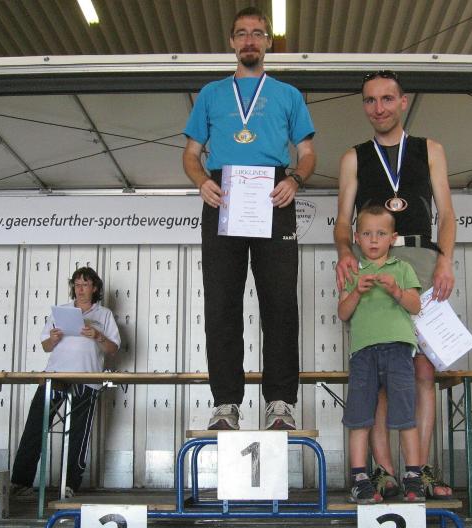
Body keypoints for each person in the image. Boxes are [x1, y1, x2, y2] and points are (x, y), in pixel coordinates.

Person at [182, 7, 316, 431]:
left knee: (280, 302)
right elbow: (190, 154)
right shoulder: (211, 94)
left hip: (274, 194)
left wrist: (295, 180)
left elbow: (307, 154)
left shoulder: (288, 95)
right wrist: (202, 182)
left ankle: (280, 403)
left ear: (269, 41)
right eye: (242, 33)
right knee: (222, 302)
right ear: (231, 42)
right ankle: (226, 403)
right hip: (222, 194)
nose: (249, 40)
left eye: (258, 33)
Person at [334, 70, 456, 499]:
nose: (379, 108)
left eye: (387, 98)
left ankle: (420, 470)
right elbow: (342, 221)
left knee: (422, 370)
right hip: (372, 260)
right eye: (370, 100)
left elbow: (447, 213)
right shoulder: (354, 157)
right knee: (382, 370)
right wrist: (345, 251)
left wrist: (445, 261)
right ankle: (384, 472)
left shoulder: (430, 150)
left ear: (403, 102)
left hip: (422, 261)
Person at [338, 204, 425, 503]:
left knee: (405, 415)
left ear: (393, 238)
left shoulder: (402, 269)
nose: (374, 240)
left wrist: (397, 291)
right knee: (360, 416)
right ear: (356, 238)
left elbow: (416, 305)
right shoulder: (352, 271)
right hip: (363, 353)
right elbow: (343, 313)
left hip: (399, 350)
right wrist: (356, 292)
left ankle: (413, 477)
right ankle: (360, 478)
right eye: (366, 234)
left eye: (381, 234)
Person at [10, 267, 119, 498]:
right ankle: (20, 482)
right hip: (55, 375)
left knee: (79, 433)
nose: (80, 289)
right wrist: (53, 338)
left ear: (95, 288)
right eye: (77, 284)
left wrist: (97, 336)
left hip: (87, 379)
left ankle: (69, 484)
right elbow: (45, 346)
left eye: (85, 284)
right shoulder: (61, 311)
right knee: (35, 426)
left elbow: (113, 349)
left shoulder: (104, 315)